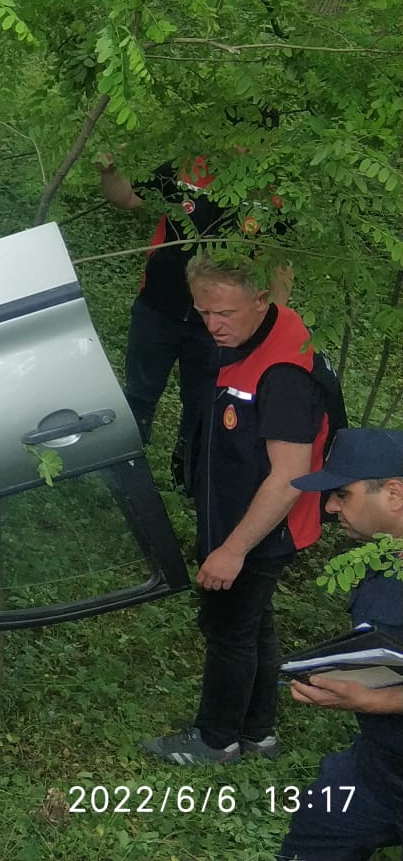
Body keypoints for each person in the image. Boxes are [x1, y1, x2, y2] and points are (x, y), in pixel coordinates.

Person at [143, 255, 331, 765]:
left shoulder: (284, 376)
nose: (213, 325)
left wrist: (232, 549)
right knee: (253, 622)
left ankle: (215, 739)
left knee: (229, 629)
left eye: (224, 312)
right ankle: (259, 732)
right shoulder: (262, 330)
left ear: (261, 300)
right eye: (203, 311)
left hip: (263, 527)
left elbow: (289, 475)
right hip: (241, 514)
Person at [96, 154, 289, 485]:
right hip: (157, 307)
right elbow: (128, 197)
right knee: (140, 394)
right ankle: (124, 474)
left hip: (219, 325)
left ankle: (185, 482)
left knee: (202, 406)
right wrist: (110, 171)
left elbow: (280, 264)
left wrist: (270, 324)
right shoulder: (188, 164)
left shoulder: (272, 194)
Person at [277, 428, 403, 861]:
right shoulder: (386, 557)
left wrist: (374, 701)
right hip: (379, 769)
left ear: (394, 493)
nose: (330, 508)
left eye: (342, 495)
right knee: (317, 830)